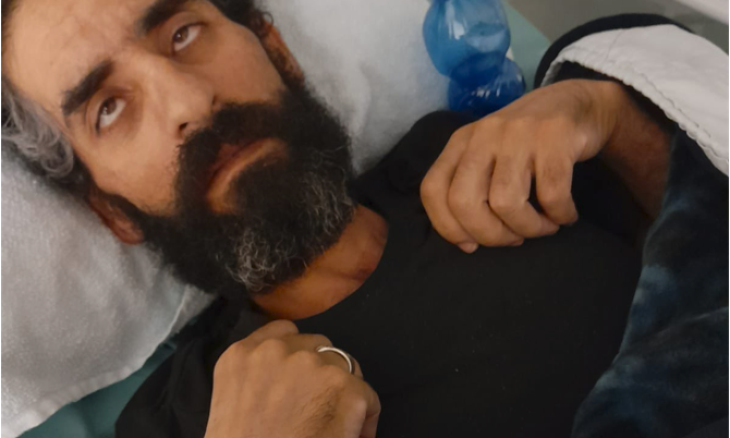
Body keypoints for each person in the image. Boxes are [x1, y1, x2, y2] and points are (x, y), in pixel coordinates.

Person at [1, 0, 726, 436]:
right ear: (113, 212)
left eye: (184, 33)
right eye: (109, 109)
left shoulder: (472, 151)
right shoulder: (184, 421)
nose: (190, 103)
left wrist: (606, 110)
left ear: (277, 51)